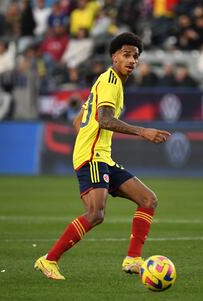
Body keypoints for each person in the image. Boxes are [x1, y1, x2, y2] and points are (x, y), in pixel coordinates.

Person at [34, 32, 171, 280]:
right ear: (114, 56)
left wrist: (89, 139)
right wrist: (142, 131)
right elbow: (105, 120)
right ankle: (49, 260)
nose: (132, 60)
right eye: (126, 55)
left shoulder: (108, 81)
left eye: (136, 56)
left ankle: (133, 259)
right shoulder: (110, 82)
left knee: (148, 200)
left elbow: (79, 121)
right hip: (93, 156)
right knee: (96, 214)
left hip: (101, 157)